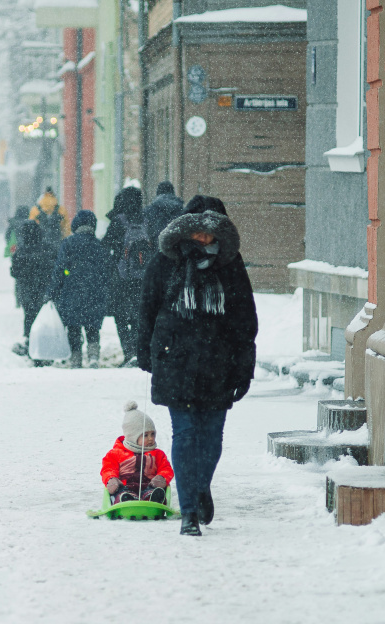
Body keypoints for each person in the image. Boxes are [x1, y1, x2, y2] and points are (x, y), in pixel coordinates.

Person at [137, 195, 258, 537]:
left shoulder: (231, 265)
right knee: (186, 434)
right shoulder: (166, 262)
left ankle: (201, 486)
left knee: (211, 437)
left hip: (219, 364)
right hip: (176, 360)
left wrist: (244, 367)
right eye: (198, 231)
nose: (204, 238)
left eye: (211, 232)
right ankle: (188, 509)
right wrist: (146, 352)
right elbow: (147, 308)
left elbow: (245, 321)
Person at [46, 210, 108, 368]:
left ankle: (76, 358)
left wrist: (52, 292)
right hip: (94, 290)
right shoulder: (98, 244)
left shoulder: (68, 243)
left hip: (72, 290)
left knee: (73, 326)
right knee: (92, 325)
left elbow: (60, 269)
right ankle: (93, 356)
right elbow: (105, 269)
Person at [100, 186, 149, 365]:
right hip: (143, 277)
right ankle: (138, 351)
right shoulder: (146, 220)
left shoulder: (119, 221)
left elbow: (106, 245)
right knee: (138, 314)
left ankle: (128, 351)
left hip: (122, 276)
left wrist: (112, 262)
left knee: (120, 315)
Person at [101, 401, 174, 504]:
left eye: (152, 434)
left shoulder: (158, 454)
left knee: (153, 492)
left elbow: (166, 469)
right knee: (121, 493)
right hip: (124, 487)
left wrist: (161, 477)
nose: (150, 439)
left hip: (150, 486)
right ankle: (126, 500)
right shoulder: (116, 453)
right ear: (132, 437)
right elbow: (108, 468)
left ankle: (153, 499)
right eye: (145, 435)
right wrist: (111, 479)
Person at [10, 220, 57, 357]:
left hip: (27, 292)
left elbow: (14, 272)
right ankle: (46, 346)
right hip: (44, 291)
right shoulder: (48, 248)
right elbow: (55, 268)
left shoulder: (21, 251)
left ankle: (32, 346)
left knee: (30, 317)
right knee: (45, 319)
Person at [144, 181, 185, 246]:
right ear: (172, 192)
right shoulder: (181, 208)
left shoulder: (150, 209)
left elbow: (147, 229)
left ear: (157, 192)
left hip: (157, 245)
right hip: (176, 246)